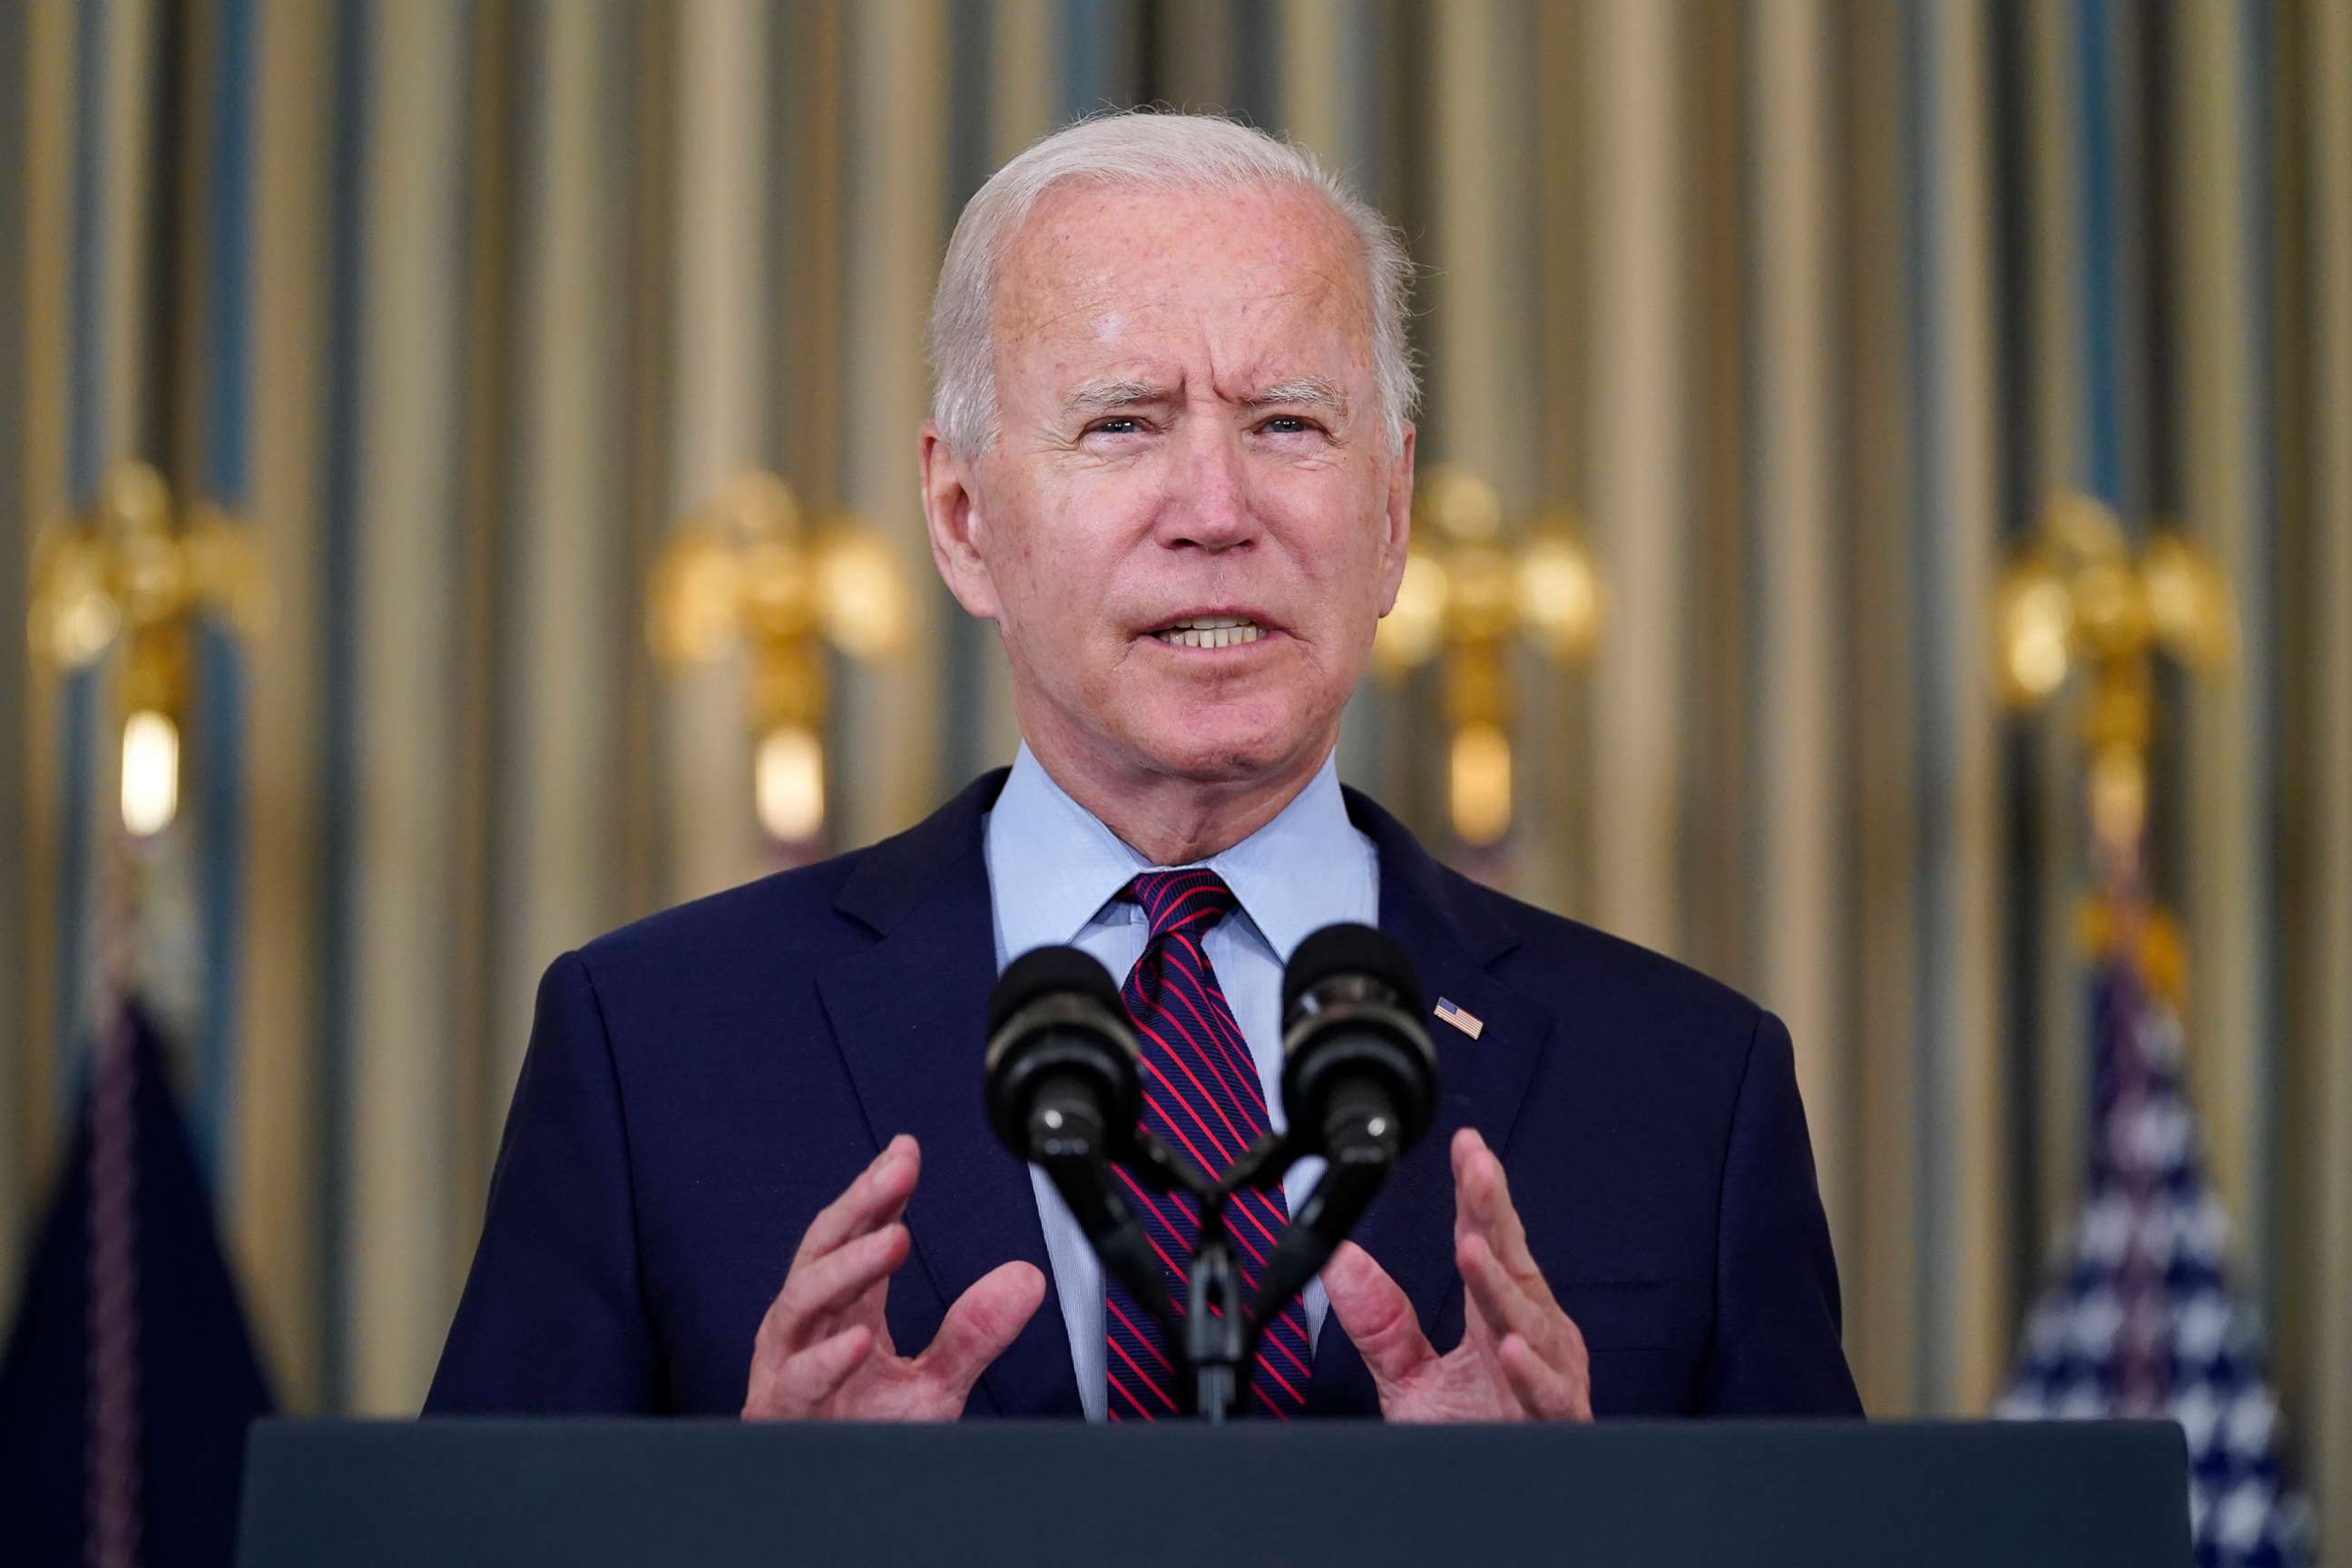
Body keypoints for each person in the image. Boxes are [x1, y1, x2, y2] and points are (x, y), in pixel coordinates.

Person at [426, 112, 1861, 1423]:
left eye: (1288, 424)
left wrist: (1580, 1539)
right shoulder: (654, 1046)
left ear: (1393, 516)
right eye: (1123, 423)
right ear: (963, 515)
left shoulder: (1687, 1086)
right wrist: (760, 1533)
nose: (1217, 509)